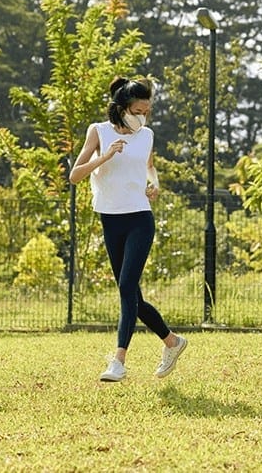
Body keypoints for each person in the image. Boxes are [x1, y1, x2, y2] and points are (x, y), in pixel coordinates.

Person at [69, 76, 187, 382]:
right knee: (132, 295)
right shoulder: (99, 131)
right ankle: (172, 342)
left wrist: (154, 184)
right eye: (137, 111)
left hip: (140, 218)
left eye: (146, 111)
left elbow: (149, 167)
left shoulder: (146, 135)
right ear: (122, 108)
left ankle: (118, 361)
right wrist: (105, 156)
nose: (142, 117)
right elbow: (74, 176)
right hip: (110, 219)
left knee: (126, 287)